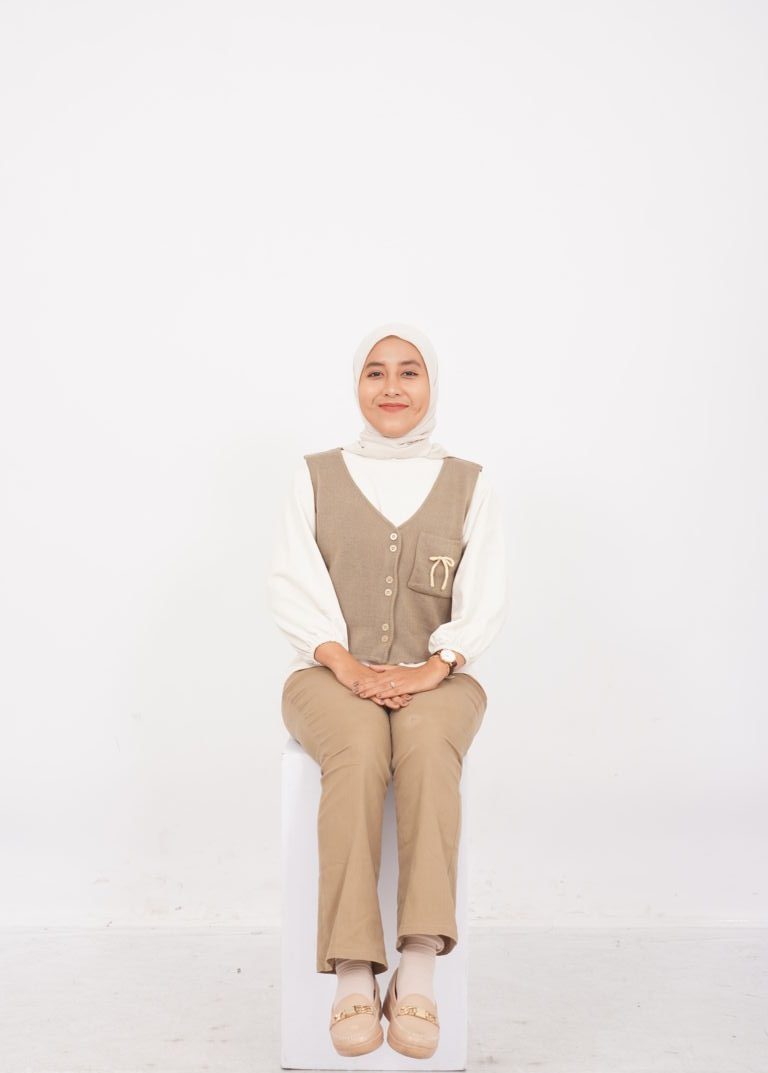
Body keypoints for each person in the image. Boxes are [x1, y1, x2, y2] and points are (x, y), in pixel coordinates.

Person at [267, 322, 508, 1059]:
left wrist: (434, 667)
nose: (393, 387)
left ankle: (419, 970)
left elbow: (484, 596)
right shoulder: (314, 475)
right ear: (357, 386)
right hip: (325, 675)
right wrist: (346, 666)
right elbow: (291, 584)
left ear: (431, 384)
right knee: (359, 740)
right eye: (376, 372)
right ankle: (351, 972)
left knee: (428, 742)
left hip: (442, 676)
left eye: (410, 371)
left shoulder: (469, 482)